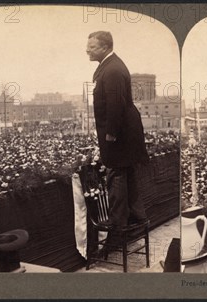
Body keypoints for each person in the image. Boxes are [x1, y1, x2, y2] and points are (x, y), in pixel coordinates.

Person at [86, 31, 149, 227]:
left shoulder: (112, 69)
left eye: (92, 47)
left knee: (117, 174)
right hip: (124, 130)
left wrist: (111, 133)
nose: (87, 50)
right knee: (126, 173)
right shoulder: (110, 66)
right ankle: (137, 216)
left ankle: (117, 224)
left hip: (119, 132)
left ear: (105, 47)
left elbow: (115, 104)